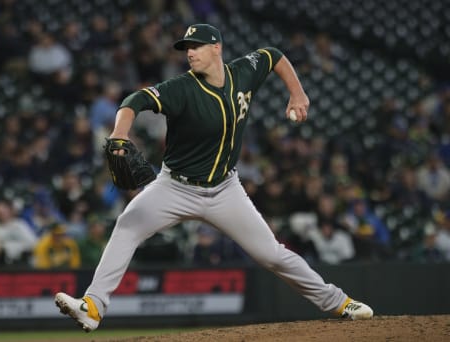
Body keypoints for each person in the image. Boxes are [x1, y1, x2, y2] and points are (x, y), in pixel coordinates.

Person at [55, 23, 373, 332]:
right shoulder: (182, 88)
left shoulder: (243, 72)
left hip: (225, 190)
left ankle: (340, 303)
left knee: (272, 255)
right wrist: (120, 133)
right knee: (127, 225)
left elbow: (273, 55)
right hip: (175, 187)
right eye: (186, 48)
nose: (190, 53)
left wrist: (297, 93)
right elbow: (133, 101)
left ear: (216, 47)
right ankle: (93, 306)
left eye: (196, 46)